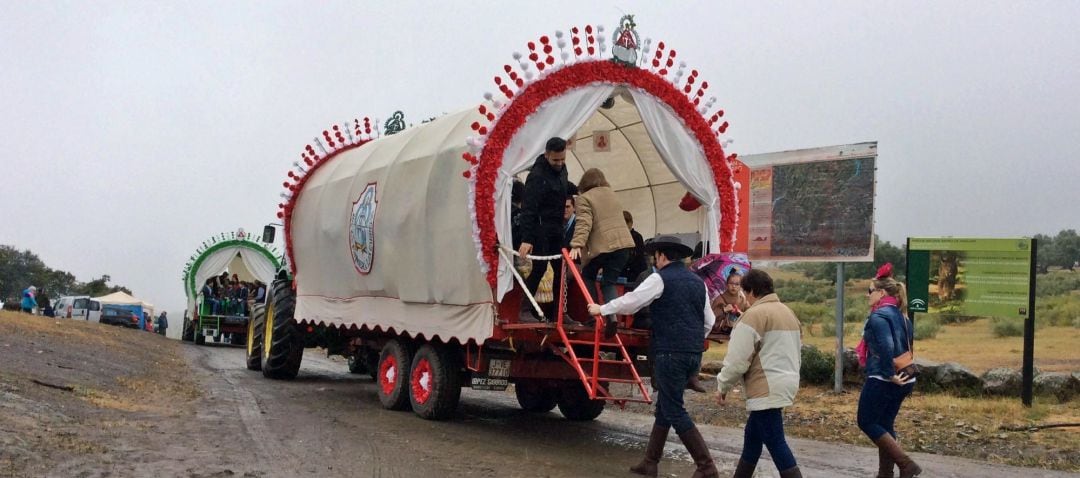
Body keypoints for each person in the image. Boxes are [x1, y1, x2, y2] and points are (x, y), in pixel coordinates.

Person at [587, 235, 718, 478]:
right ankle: (650, 462)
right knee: (665, 407)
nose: (654, 261)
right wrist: (691, 340)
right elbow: (708, 321)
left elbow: (632, 302)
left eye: (654, 256)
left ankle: (706, 466)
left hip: (670, 351)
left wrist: (602, 309)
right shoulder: (697, 282)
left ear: (662, 256)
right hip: (692, 354)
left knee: (674, 409)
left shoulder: (660, 278)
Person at [716, 269, 803, 478]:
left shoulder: (753, 315)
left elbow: (737, 360)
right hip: (786, 381)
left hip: (765, 385)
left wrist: (722, 386)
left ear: (752, 291)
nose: (745, 297)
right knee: (753, 436)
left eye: (745, 292)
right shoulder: (787, 312)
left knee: (775, 440)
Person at [859, 263, 921, 478]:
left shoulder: (878, 317)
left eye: (870, 291)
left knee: (866, 421)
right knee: (884, 423)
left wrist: (888, 373)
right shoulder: (903, 317)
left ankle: (906, 464)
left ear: (881, 292)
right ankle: (885, 473)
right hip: (907, 377)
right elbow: (907, 345)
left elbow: (886, 346)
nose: (867, 296)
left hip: (884, 377)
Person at [569, 168, 636, 335]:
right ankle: (611, 317)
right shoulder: (611, 194)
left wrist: (577, 244)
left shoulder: (584, 198)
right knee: (609, 282)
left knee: (587, 276)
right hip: (624, 245)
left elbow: (584, 223)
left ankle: (594, 316)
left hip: (604, 247)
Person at [517, 137, 571, 322]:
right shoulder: (537, 175)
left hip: (557, 227)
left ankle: (559, 313)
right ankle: (525, 310)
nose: (560, 163)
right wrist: (527, 238)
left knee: (561, 269)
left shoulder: (563, 170)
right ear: (547, 155)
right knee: (539, 268)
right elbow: (529, 208)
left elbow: (565, 190)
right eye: (556, 160)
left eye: (563, 159)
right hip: (541, 227)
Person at [621, 211, 648, 281]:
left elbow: (637, 256)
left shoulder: (637, 237)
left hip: (635, 273)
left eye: (627, 223)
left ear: (631, 223)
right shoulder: (620, 237)